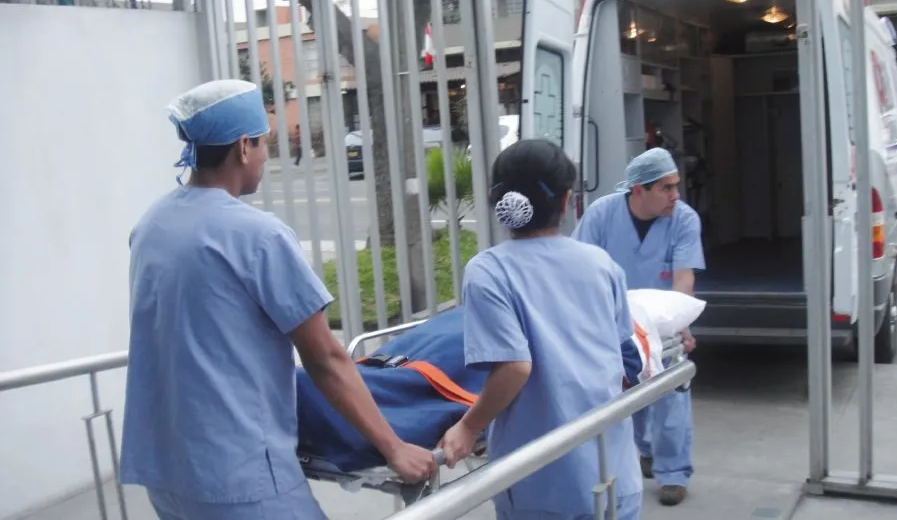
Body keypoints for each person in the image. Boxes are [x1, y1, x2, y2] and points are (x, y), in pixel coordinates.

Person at [119, 79, 437, 520]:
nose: (267, 157)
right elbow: (326, 359)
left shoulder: (152, 225)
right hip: (239, 475)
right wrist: (394, 448)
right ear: (243, 147)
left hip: (166, 472)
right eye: (265, 143)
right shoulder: (258, 236)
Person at [437, 139, 645, 520]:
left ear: (496, 200)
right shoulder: (601, 264)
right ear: (566, 201)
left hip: (542, 485)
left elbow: (514, 368)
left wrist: (469, 427)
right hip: (614, 474)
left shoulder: (489, 271)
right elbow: (625, 358)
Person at [572, 147, 705, 506]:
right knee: (628, 394)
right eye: (666, 188)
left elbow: (684, 276)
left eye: (676, 186)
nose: (675, 195)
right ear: (638, 190)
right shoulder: (601, 215)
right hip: (613, 321)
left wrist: (681, 321)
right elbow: (580, 270)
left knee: (671, 394)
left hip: (662, 320)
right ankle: (646, 449)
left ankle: (673, 473)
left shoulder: (684, 219)